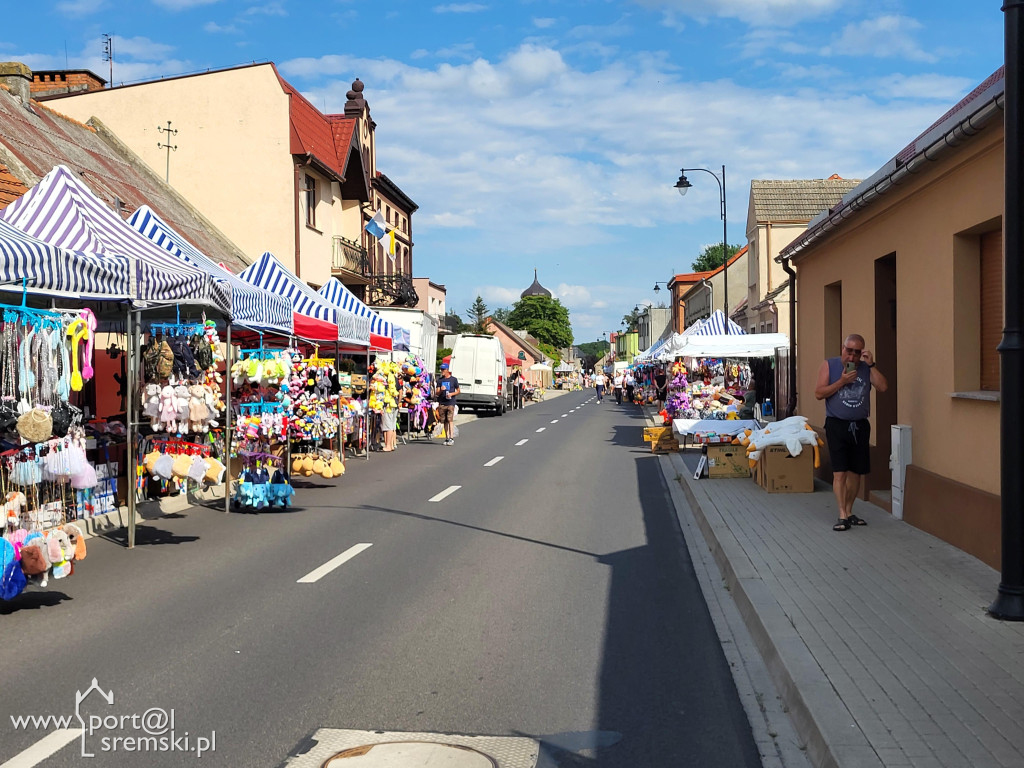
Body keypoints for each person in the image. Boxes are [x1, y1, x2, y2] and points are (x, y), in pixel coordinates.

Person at [814, 333, 888, 531]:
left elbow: (883, 387)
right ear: (842, 348)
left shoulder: (865, 369)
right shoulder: (830, 365)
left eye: (857, 352)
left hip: (860, 425)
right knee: (840, 473)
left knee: (856, 473)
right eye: (849, 351)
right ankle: (841, 514)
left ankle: (849, 510)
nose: (852, 356)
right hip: (837, 424)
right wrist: (842, 382)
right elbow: (819, 393)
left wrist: (871, 365)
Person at [434, 363, 461, 445]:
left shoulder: (453, 380)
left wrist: (452, 394)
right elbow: (437, 393)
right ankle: (447, 438)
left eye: (443, 370)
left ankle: (451, 438)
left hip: (450, 402)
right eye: (441, 370)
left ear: (447, 370)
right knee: (444, 421)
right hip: (442, 402)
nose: (442, 371)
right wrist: (441, 390)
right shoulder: (440, 380)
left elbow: (458, 390)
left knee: (450, 420)